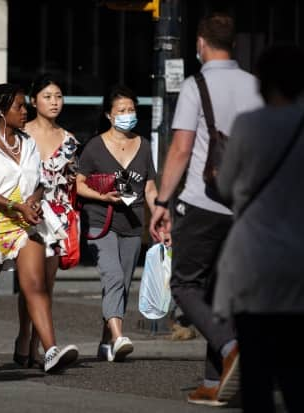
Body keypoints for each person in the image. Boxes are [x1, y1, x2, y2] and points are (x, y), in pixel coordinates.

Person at [149, 14, 263, 407]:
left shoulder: (198, 86)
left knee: (184, 285)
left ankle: (232, 347)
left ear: (200, 43)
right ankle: (215, 382)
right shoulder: (255, 85)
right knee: (219, 293)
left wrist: (162, 201)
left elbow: (181, 148)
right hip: (245, 206)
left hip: (203, 202)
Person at [0, 83, 79, 375]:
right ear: (1, 111)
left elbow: (38, 181)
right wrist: (17, 207)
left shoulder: (27, 143)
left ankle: (50, 350)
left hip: (26, 222)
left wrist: (35, 202)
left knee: (35, 286)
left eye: (26, 105)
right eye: (19, 106)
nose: (25, 111)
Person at [213, 44, 304, 413]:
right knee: (297, 369)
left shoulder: (248, 125)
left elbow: (226, 187)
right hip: (298, 257)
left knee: (257, 373)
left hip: (254, 258)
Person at [76, 84, 160, 363]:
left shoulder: (144, 146)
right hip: (101, 221)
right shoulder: (94, 147)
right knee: (111, 276)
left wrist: (159, 214)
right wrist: (103, 195)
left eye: (131, 110)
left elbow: (149, 187)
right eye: (121, 110)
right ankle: (120, 337)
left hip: (132, 223)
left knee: (122, 283)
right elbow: (78, 185)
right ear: (109, 116)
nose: (127, 114)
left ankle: (105, 340)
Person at [14, 74, 79, 367]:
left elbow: (74, 181)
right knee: (30, 281)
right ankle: (23, 336)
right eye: (48, 96)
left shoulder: (69, 140)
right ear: (33, 100)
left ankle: (36, 346)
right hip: (26, 211)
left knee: (46, 284)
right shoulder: (19, 133)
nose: (54, 102)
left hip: (57, 215)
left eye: (59, 96)